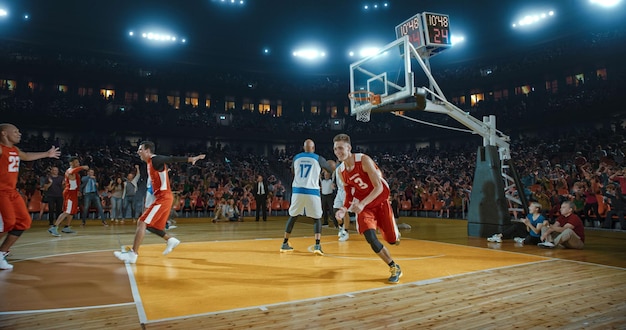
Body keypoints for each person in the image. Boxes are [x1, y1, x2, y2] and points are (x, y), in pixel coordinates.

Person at [114, 141, 205, 264]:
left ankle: (133, 254)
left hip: (164, 198)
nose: (138, 152)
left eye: (140, 149)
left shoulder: (155, 159)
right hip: (162, 198)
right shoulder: (149, 163)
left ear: (147, 150)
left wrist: (191, 159)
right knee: (152, 226)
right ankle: (170, 239)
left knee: (142, 222)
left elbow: (171, 158)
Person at [332, 133, 403, 283]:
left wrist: (362, 203)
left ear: (349, 148)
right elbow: (349, 195)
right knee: (370, 237)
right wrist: (343, 209)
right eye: (335, 149)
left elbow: (377, 187)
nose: (338, 152)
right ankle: (393, 266)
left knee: (391, 240)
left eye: (340, 148)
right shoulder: (341, 171)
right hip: (365, 207)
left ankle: (394, 234)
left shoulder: (364, 160)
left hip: (380, 201)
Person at [0, 123, 60, 270]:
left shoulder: (14, 149)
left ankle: (1, 253)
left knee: (24, 222)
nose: (19, 133)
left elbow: (26, 156)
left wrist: (47, 154)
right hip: (1, 192)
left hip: (12, 192)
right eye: (15, 131)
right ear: (4, 133)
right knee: (8, 223)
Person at [280, 139, 334, 255]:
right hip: (312, 191)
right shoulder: (318, 158)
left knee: (293, 216)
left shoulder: (296, 158)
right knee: (316, 218)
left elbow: (293, 171)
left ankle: (285, 243)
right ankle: (317, 245)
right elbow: (330, 170)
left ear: (304, 148)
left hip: (298, 190)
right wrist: (326, 166)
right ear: (313, 148)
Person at [48, 157, 89, 236]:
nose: (78, 164)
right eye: (76, 162)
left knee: (72, 211)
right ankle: (54, 227)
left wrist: (77, 191)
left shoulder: (75, 172)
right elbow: (72, 172)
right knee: (67, 211)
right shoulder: (69, 170)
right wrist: (82, 167)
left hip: (73, 192)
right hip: (69, 193)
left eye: (78, 162)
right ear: (71, 163)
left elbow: (75, 182)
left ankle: (67, 227)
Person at [332, 160, 351, 242]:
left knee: (345, 212)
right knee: (335, 210)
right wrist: (333, 183)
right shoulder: (337, 168)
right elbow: (335, 178)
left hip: (346, 191)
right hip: (339, 191)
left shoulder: (347, 166)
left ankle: (346, 232)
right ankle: (341, 227)